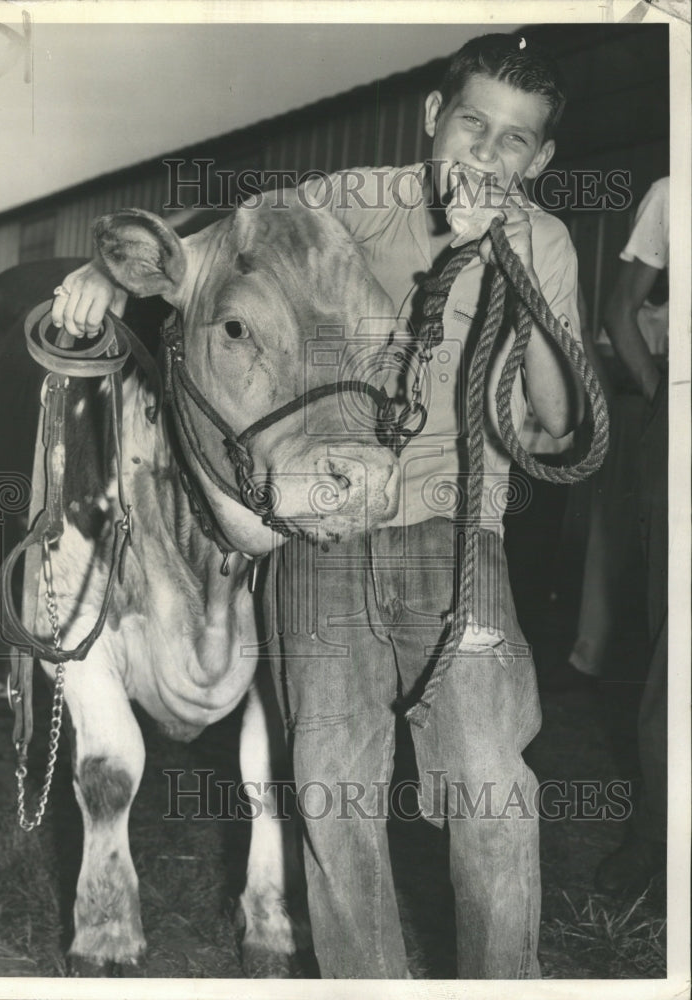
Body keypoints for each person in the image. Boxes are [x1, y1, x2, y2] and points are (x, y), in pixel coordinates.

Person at [50, 34, 585, 978]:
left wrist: (510, 256)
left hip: (454, 536)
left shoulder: (541, 238)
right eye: (471, 123)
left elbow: (556, 415)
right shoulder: (344, 202)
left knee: (489, 784)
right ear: (433, 118)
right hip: (321, 539)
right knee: (333, 790)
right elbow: (222, 233)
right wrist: (108, 274)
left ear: (537, 161)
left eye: (514, 142)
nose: (483, 155)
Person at [592, 177, 669, 896]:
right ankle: (657, 835)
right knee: (670, 645)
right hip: (676, 433)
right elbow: (618, 309)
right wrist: (662, 403)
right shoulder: (673, 195)